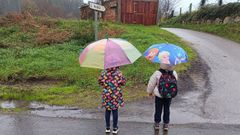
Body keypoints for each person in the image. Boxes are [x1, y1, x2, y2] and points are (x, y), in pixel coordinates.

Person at [147, 64, 178, 131]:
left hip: (159, 95)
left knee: (158, 109)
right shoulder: (174, 73)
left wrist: (149, 92)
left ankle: (157, 123)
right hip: (169, 95)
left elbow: (151, 83)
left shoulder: (158, 73)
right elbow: (175, 82)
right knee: (167, 109)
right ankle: (166, 124)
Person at [98, 67, 126, 134]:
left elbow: (100, 82)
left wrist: (105, 85)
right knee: (115, 110)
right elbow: (123, 82)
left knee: (107, 110)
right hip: (115, 94)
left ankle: (107, 128)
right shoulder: (118, 73)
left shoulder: (103, 73)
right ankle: (115, 128)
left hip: (106, 95)